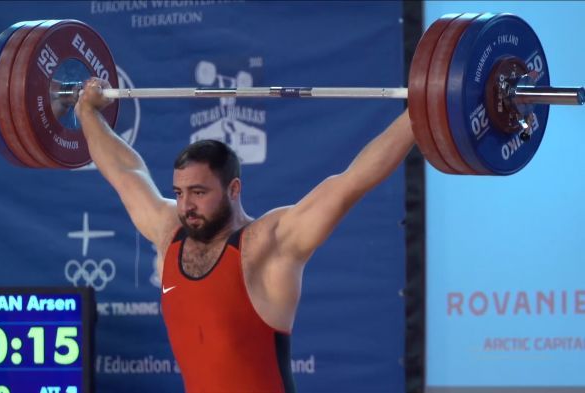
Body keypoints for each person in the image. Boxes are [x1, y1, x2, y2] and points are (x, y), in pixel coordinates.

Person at [75, 77, 415, 393]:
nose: (186, 205)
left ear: (233, 188)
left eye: (198, 192)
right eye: (178, 193)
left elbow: (352, 182)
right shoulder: (170, 233)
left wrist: (419, 114)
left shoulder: (268, 244)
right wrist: (87, 112)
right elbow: (125, 173)